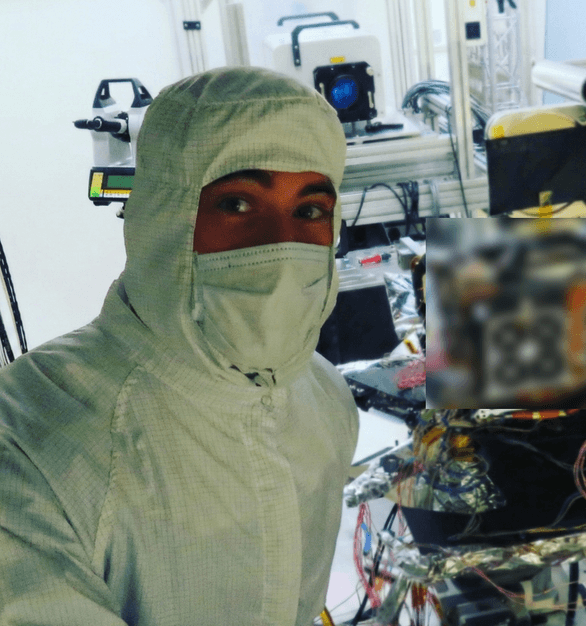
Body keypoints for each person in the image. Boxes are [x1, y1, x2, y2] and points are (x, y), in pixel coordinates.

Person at [0, 67, 359, 625]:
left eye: (309, 211)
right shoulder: (27, 447)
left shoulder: (326, 402)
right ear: (163, 217)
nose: (281, 248)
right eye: (237, 204)